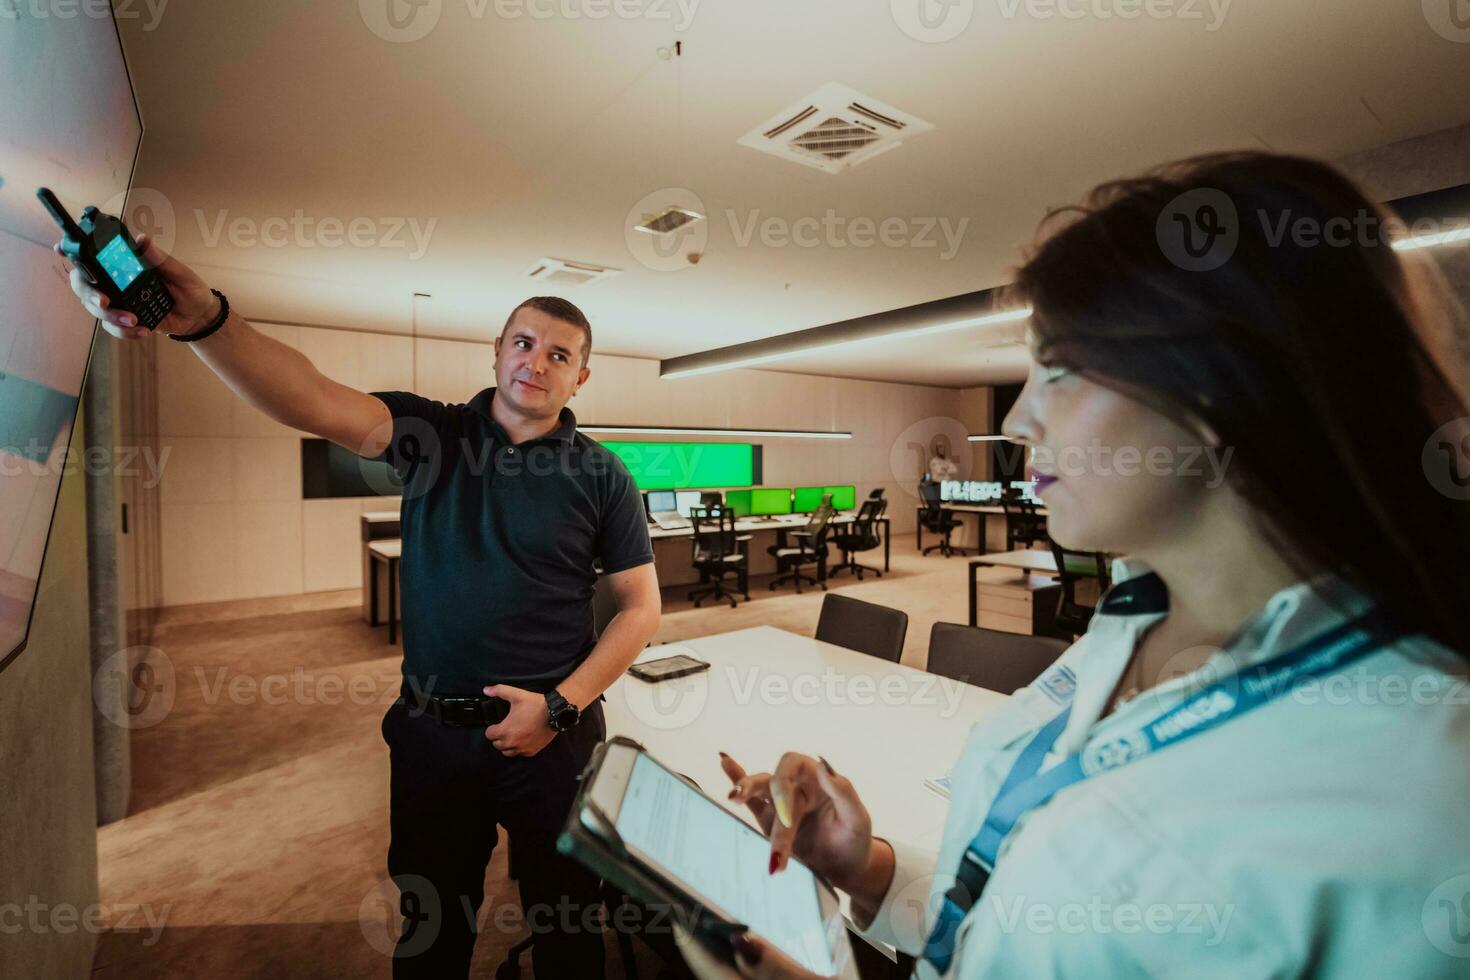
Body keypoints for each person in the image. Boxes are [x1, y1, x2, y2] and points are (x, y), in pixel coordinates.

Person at [705, 152, 1470, 978]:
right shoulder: (1127, 621)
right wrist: (866, 868)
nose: (1023, 418)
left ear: (1216, 392)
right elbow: (1020, 921)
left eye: (1061, 371)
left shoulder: (1420, 796)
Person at [59, 240, 662, 978]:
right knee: (431, 928)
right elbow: (309, 396)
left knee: (568, 926)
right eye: (524, 343)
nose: (536, 363)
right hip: (434, 735)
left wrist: (560, 709)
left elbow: (639, 609)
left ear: (582, 375)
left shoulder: (604, 474)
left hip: (555, 738)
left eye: (559, 355)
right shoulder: (434, 436)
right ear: (496, 352)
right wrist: (207, 322)